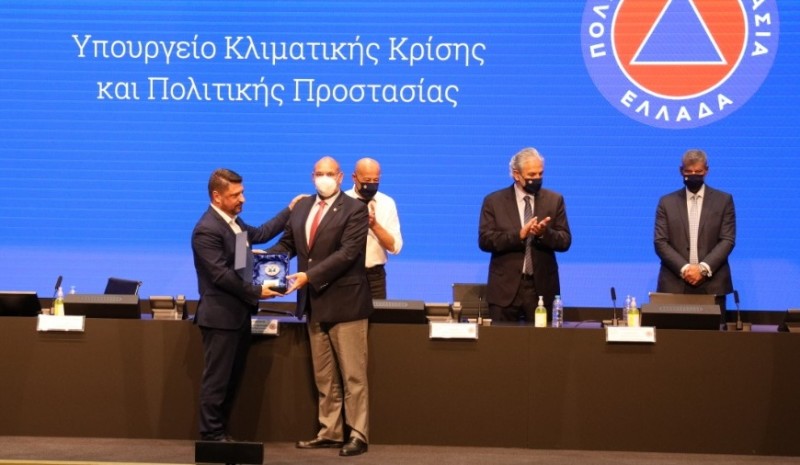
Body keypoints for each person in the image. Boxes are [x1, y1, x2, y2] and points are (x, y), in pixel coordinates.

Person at [269, 156, 373, 457]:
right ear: (312, 176)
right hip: (314, 303)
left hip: (346, 303)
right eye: (319, 173)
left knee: (353, 376)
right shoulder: (302, 207)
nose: (324, 178)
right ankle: (330, 431)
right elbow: (288, 245)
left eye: (329, 173)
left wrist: (309, 276)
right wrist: (265, 261)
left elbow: (348, 253)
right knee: (324, 375)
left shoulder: (355, 209)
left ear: (340, 177)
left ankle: (358, 434)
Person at [191, 168, 300, 442]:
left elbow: (261, 233)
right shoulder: (206, 230)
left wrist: (289, 210)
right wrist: (257, 291)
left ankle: (221, 434)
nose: (243, 199)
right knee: (217, 381)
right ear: (217, 196)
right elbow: (220, 275)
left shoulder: (234, 223)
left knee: (231, 381)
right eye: (236, 195)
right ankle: (211, 436)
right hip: (220, 320)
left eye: (242, 192)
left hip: (238, 317)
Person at [478, 147, 572, 323]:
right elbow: (485, 240)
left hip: (542, 290)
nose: (537, 179)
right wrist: (519, 235)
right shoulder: (493, 202)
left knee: (542, 340)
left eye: (540, 174)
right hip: (504, 290)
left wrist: (544, 234)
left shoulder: (554, 200)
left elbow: (565, 240)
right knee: (501, 339)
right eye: (531, 175)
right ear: (516, 174)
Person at [654, 149, 735, 306]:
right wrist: (685, 269)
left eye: (698, 172)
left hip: (712, 283)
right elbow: (660, 242)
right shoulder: (666, 202)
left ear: (706, 170)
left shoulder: (724, 200)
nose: (693, 175)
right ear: (681, 171)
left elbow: (727, 239)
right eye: (688, 172)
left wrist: (702, 269)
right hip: (674, 284)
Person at [344, 157, 403, 299]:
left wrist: (374, 225)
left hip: (375, 278)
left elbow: (395, 247)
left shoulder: (387, 203)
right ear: (354, 178)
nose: (371, 184)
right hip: (345, 275)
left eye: (375, 180)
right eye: (367, 180)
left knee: (378, 313)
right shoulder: (341, 202)